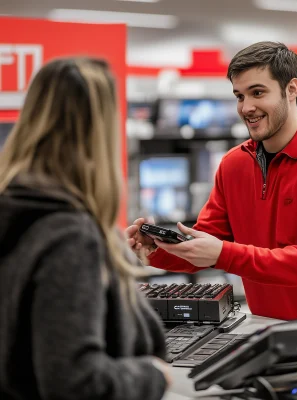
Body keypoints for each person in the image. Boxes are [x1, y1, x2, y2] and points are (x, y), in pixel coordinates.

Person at [126, 41, 297, 321]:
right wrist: (157, 249)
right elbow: (207, 242)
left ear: (292, 89)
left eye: (257, 93)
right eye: (239, 96)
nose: (247, 107)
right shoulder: (233, 164)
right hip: (262, 324)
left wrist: (224, 254)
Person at [0, 57, 171, 400]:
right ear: (99, 132)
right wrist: (152, 376)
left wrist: (113, 263)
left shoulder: (20, 210)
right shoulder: (70, 237)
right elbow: (75, 383)